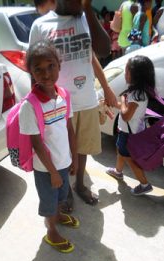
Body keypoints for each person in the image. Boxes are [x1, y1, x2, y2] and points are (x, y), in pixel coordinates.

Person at [29, 0, 117, 206]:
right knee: (60, 150)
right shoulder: (41, 25)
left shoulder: (85, 18)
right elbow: (33, 64)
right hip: (57, 103)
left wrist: (106, 87)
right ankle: (65, 188)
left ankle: (79, 184)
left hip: (86, 99)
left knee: (82, 148)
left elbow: (100, 52)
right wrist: (37, 101)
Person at [19, 40, 79, 253]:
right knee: (49, 201)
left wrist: (75, 158)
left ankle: (59, 215)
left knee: (61, 196)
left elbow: (69, 129)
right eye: (38, 69)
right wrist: (53, 172)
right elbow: (36, 142)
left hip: (64, 161)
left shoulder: (64, 95)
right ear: (31, 73)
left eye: (50, 66)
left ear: (59, 65)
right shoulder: (30, 106)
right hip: (46, 169)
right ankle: (51, 230)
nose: (46, 74)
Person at [106, 55, 155, 196]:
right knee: (120, 150)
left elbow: (126, 115)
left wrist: (122, 99)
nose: (125, 74)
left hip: (129, 133)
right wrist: (115, 103)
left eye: (127, 72)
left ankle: (144, 184)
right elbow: (128, 108)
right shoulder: (140, 92)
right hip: (129, 131)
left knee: (128, 157)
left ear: (136, 76)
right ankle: (118, 171)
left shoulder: (136, 95)